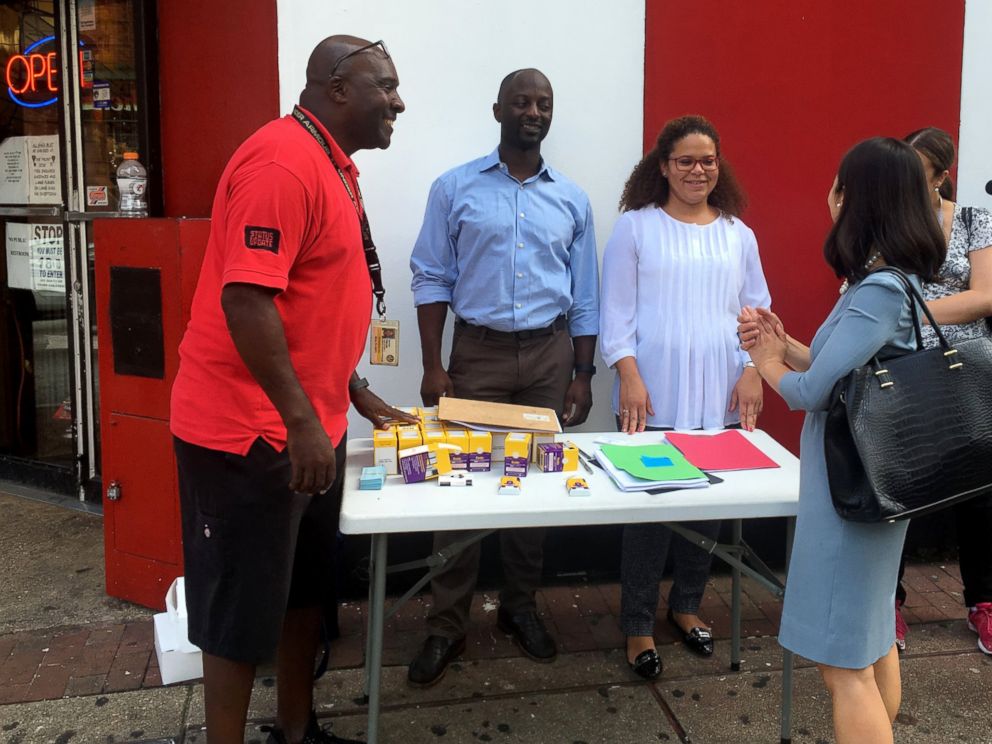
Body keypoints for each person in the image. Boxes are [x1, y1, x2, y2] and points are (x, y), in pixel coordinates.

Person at [169, 36, 415, 744]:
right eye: (386, 86)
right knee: (239, 613)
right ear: (338, 90)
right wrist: (302, 422)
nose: (399, 101)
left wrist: (354, 392)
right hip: (247, 437)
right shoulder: (281, 162)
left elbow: (307, 304)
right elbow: (246, 302)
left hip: (307, 429)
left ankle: (296, 731)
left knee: (304, 592)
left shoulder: (331, 161)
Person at [739, 137, 946, 744]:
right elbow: (841, 373)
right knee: (871, 640)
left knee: (842, 664)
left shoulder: (879, 290)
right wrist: (785, 346)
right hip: (875, 487)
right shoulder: (891, 284)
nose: (830, 197)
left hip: (848, 494)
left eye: (839, 185)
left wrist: (764, 360)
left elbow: (811, 393)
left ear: (859, 199)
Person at [407, 68, 600, 687]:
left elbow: (586, 295)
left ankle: (519, 608)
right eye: (522, 100)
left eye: (544, 102)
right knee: (458, 487)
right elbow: (431, 277)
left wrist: (583, 372)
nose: (534, 111)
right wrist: (433, 365)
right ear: (498, 109)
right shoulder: (454, 188)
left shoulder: (572, 199)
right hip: (478, 356)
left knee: (534, 485)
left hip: (549, 355)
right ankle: (447, 627)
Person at [599, 115, 771, 680]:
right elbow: (616, 314)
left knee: (707, 509)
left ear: (719, 167)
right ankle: (637, 624)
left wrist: (752, 371)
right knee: (650, 512)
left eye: (708, 161)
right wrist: (628, 375)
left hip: (719, 392)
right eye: (686, 161)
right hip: (651, 394)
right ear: (663, 167)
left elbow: (756, 315)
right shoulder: (636, 228)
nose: (698, 170)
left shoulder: (737, 234)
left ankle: (688, 605)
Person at [892, 127, 992, 654]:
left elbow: (984, 298)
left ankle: (983, 602)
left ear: (940, 173)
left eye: (918, 168)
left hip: (969, 370)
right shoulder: (888, 220)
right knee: (902, 483)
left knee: (979, 488)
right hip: (903, 368)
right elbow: (861, 284)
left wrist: (906, 311)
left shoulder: (976, 219)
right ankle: (889, 600)